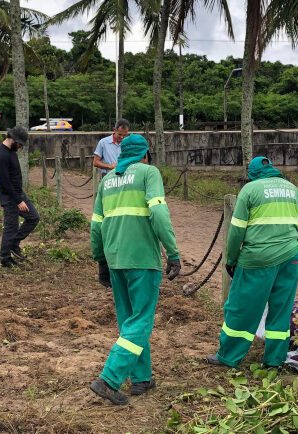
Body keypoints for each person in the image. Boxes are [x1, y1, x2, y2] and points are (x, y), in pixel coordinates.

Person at [89, 134, 181, 405]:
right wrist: (173, 253)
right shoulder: (148, 173)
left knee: (130, 321)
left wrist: (101, 261)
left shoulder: (107, 180)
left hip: (115, 259)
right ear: (145, 154)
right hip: (142, 260)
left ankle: (141, 378)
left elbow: (96, 225)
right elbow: (160, 214)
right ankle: (109, 379)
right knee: (141, 321)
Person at [205, 157, 298, 369]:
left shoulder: (250, 190)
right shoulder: (293, 190)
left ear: (251, 174)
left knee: (241, 308)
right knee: (281, 310)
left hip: (256, 260)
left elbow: (236, 232)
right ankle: (274, 361)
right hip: (290, 258)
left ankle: (228, 357)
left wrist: (232, 259)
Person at [92, 119, 130, 286]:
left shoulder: (129, 143)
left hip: (125, 184)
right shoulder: (103, 143)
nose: (122, 138)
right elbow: (95, 162)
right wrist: (109, 167)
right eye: (120, 134)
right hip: (107, 181)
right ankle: (105, 271)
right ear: (114, 130)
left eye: (125, 135)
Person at [0, 126, 40, 267]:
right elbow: (4, 182)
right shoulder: (2, 155)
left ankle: (14, 244)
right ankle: (5, 258)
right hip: (10, 197)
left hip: (18, 194)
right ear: (13, 139)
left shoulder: (11, 151)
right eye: (20, 144)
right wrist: (18, 200)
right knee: (10, 227)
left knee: (33, 217)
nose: (20, 147)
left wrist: (20, 197)